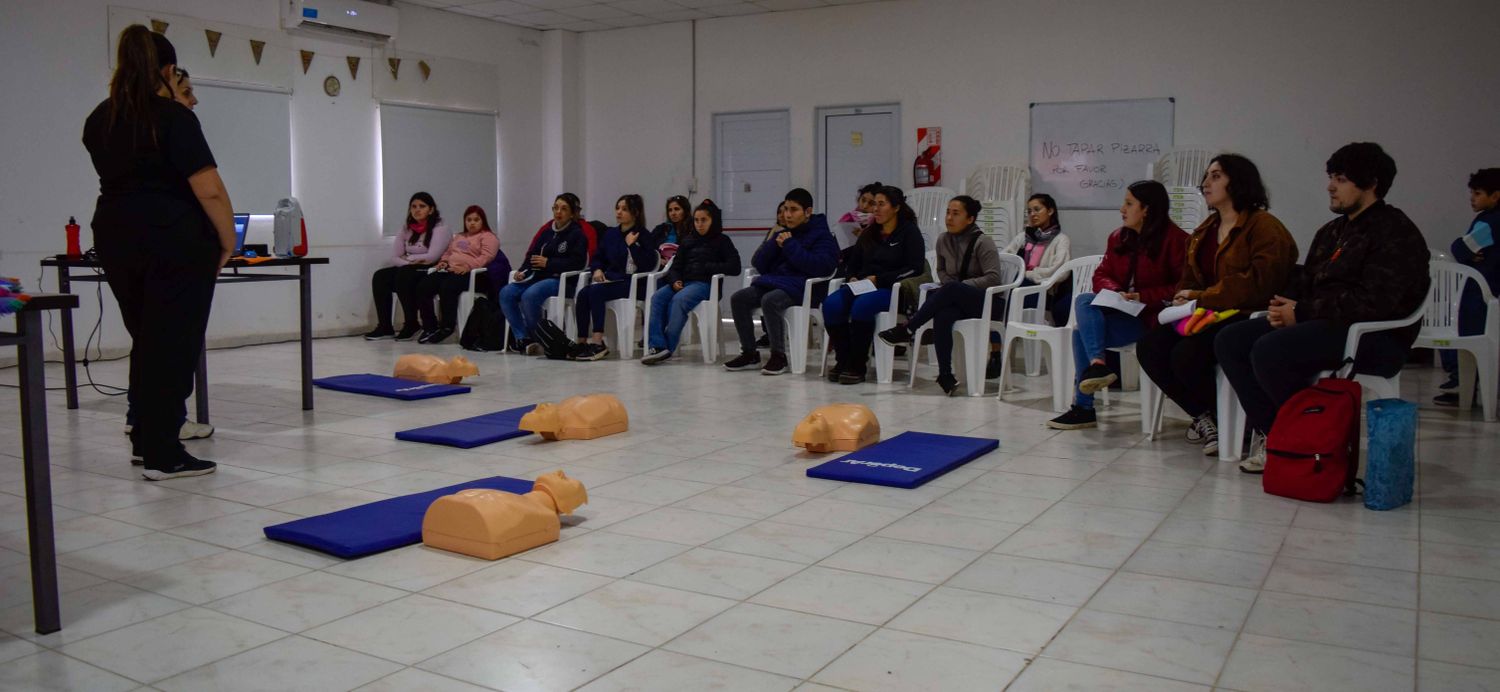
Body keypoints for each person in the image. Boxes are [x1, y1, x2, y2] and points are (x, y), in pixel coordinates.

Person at [1217, 143, 1430, 472]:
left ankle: (1306, 437)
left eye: (1341, 179)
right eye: (1331, 177)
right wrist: (1283, 305)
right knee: (1231, 339)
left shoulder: (1395, 232)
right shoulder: (1333, 231)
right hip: (1323, 323)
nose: (1330, 186)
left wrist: (1301, 312)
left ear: (1371, 184)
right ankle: (1279, 433)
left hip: (1374, 337)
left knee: (1270, 349)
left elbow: (1375, 302)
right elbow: (1308, 281)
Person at [83, 26, 231, 479]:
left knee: (147, 341)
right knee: (173, 345)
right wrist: (228, 240)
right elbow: (209, 191)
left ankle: (144, 439)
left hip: (115, 234)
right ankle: (164, 454)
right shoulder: (172, 117)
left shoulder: (100, 117)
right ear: (167, 70)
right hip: (173, 237)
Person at [1136, 154, 1298, 455]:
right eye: (1206, 176)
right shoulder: (1205, 229)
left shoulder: (1264, 226)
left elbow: (1257, 282)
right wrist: (1185, 295)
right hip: (1205, 313)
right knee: (1150, 346)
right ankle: (1205, 416)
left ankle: (1238, 420)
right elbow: (1189, 277)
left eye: (1216, 176)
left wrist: (1202, 296)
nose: (1206, 183)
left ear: (1238, 182)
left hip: (1247, 312)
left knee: (1187, 354)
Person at [1047, 181, 1188, 429]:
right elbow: (1100, 275)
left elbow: (1181, 286)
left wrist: (1143, 296)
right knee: (1083, 301)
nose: (1122, 209)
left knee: (1081, 332)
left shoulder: (1176, 240)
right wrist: (1117, 292)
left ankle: (1084, 407)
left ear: (1147, 209)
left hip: (1152, 317)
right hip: (1122, 309)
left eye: (1129, 203)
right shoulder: (1118, 237)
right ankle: (1098, 366)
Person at [877, 195, 1004, 395]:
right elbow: (942, 270)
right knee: (943, 315)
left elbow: (994, 278)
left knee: (952, 289)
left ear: (970, 219)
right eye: (947, 213)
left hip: (986, 301)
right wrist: (950, 286)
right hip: (955, 298)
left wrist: (961, 286)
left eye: (956, 214)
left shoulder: (983, 242)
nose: (949, 218)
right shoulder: (943, 239)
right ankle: (945, 374)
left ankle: (909, 328)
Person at [725, 188, 839, 375]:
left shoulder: (823, 236)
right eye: (785, 209)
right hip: (780, 282)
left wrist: (790, 245)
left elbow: (821, 267)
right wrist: (774, 242)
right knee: (739, 298)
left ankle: (779, 356)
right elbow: (759, 264)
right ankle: (749, 353)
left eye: (793, 210)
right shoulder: (785, 233)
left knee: (770, 300)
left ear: (808, 212)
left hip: (805, 287)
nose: (787, 214)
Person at [823, 185, 925, 384]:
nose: (875, 209)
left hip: (891, 289)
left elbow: (915, 268)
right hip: (863, 285)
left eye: (881, 204)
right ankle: (843, 359)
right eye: (873, 205)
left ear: (896, 208)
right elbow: (853, 263)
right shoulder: (870, 233)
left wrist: (880, 280)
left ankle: (857, 364)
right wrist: (852, 277)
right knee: (831, 305)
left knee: (863, 306)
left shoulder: (909, 233)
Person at [642, 199, 741, 364]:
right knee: (657, 297)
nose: (699, 224)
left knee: (678, 300)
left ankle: (667, 347)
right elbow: (675, 266)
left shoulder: (722, 241)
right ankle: (657, 346)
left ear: (713, 221)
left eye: (704, 220)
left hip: (705, 285)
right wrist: (675, 280)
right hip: (684, 283)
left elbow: (735, 266)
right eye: (696, 220)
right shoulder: (687, 240)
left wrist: (708, 267)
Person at [1435, 168, 1500, 406]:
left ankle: (1460, 385)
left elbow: (1461, 249)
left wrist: (1464, 250)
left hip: (1478, 294)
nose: (1472, 197)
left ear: (1495, 196)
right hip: (1494, 293)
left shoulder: (1488, 222)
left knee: (1461, 336)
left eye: (1478, 193)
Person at [569, 194, 659, 360]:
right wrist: (597, 270)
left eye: (624, 209)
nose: (619, 212)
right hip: (610, 279)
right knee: (583, 294)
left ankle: (598, 342)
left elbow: (648, 264)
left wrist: (632, 245)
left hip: (631, 283)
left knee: (596, 292)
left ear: (635, 213)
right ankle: (581, 341)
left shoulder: (643, 235)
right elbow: (598, 257)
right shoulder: (610, 234)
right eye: (617, 208)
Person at [500, 193, 589, 354]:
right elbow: (531, 257)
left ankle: (540, 338)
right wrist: (522, 271)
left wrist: (549, 263)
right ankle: (522, 337)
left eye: (563, 209)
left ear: (571, 213)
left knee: (530, 295)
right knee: (507, 293)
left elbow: (577, 263)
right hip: (537, 277)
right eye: (555, 208)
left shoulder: (577, 235)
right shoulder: (546, 233)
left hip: (561, 281)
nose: (558, 212)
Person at [365, 192, 450, 341]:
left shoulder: (440, 229)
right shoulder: (407, 229)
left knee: (404, 274)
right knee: (381, 276)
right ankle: (385, 327)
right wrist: (410, 262)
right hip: (411, 268)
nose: (417, 210)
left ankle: (411, 323)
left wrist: (409, 258)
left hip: (432, 270)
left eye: (422, 206)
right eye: (414, 207)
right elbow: (395, 257)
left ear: (431, 209)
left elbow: (432, 257)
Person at [413, 205, 500, 344]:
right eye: (469, 220)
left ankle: (447, 327)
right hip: (452, 270)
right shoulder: (459, 236)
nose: (472, 223)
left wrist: (468, 266)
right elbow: (448, 253)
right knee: (424, 285)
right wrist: (443, 262)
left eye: (476, 220)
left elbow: (486, 258)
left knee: (448, 286)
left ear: (482, 221)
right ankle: (429, 326)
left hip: (475, 275)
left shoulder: (488, 237)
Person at [1002, 193, 1074, 326]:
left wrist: (1028, 274)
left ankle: (1007, 338)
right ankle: (1001, 339)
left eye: (1037, 209)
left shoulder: (1061, 239)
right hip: (1020, 285)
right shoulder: (1023, 237)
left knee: (1019, 286)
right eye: (1029, 211)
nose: (1032, 214)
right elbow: (1005, 258)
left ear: (1050, 211)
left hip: (1044, 291)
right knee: (1003, 288)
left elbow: (1061, 271)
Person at [647, 195, 691, 268]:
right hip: (661, 267)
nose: (673, 213)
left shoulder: (692, 230)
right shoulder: (661, 229)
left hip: (682, 268)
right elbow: (648, 248)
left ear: (685, 211)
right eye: (670, 210)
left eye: (677, 209)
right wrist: (658, 259)